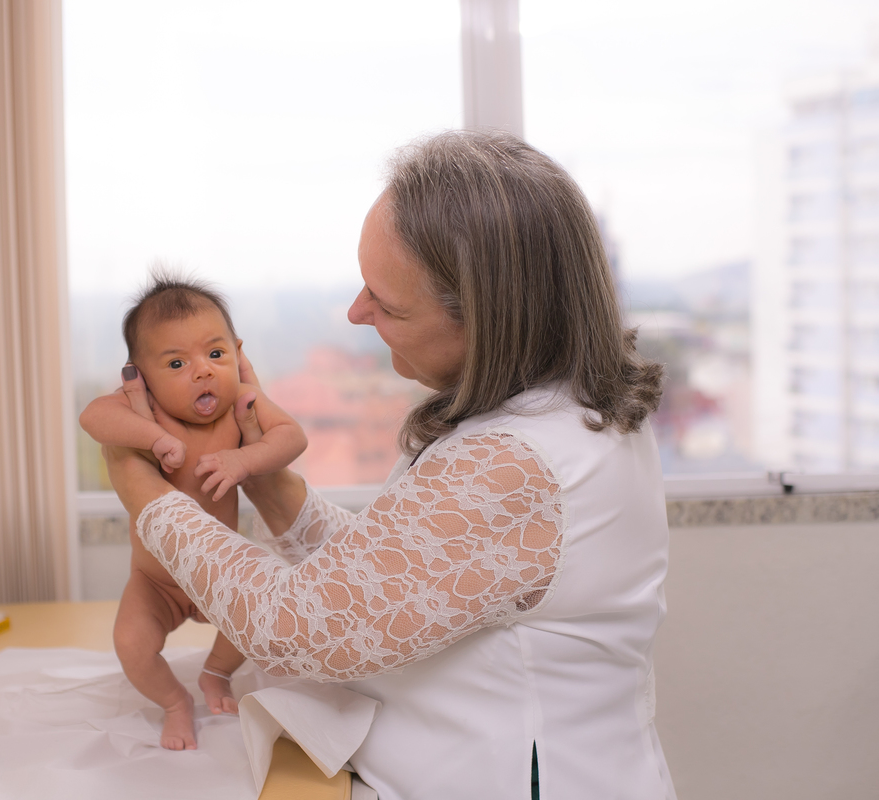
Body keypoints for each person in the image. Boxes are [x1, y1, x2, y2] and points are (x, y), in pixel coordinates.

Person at [103, 130, 674, 799]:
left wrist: (145, 492)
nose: (356, 311)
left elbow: (300, 627)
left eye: (387, 302)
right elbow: (395, 581)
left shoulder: (518, 465)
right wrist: (269, 484)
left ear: (486, 320)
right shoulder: (558, 413)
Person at [79, 274, 307, 751]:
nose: (203, 371)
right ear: (141, 375)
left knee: (255, 620)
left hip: (218, 574)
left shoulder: (239, 403)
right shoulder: (147, 411)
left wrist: (244, 458)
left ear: (237, 353)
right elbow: (93, 417)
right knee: (131, 644)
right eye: (177, 363)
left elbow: (292, 436)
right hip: (155, 582)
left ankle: (216, 673)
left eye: (216, 354)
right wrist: (154, 437)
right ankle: (173, 703)